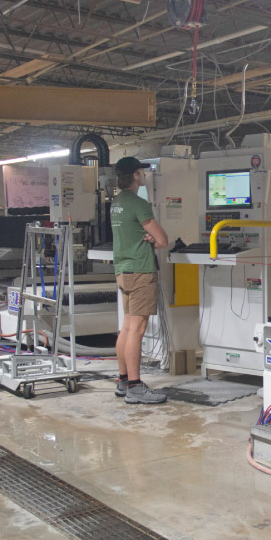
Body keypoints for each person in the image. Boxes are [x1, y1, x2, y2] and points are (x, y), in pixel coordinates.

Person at [111, 157, 169, 404]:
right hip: (140, 270)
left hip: (123, 270)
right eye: (142, 172)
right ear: (136, 175)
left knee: (127, 326)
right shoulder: (138, 203)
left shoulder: (116, 203)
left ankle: (123, 380)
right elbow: (163, 240)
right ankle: (135, 387)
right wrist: (152, 238)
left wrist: (145, 236)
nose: (144, 175)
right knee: (137, 328)